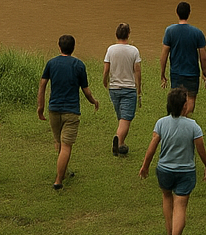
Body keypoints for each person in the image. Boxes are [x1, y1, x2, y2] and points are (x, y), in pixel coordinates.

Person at [138, 87, 206, 235]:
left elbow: (152, 147)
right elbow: (201, 149)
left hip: (164, 169)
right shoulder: (193, 126)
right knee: (181, 206)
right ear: (184, 106)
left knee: (167, 198)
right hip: (186, 172)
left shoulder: (161, 123)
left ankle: (170, 233)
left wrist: (145, 166)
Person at [37, 33, 99, 190]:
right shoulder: (78, 65)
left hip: (54, 110)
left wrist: (40, 107)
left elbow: (42, 85)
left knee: (58, 142)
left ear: (59, 47)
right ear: (73, 48)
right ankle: (59, 179)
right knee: (66, 146)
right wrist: (94, 101)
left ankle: (63, 170)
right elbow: (86, 90)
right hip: (71, 111)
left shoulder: (51, 63)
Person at [161, 2, 206, 114]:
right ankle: (186, 118)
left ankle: (178, 119)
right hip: (192, 72)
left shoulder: (170, 31)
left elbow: (164, 54)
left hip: (176, 73)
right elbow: (204, 57)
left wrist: (162, 73)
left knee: (176, 98)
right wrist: (205, 73)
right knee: (191, 98)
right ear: (189, 13)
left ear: (177, 13)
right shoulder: (197, 33)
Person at [103, 22, 143, 156]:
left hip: (114, 89)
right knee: (126, 118)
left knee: (121, 118)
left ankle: (121, 144)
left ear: (116, 34)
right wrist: (139, 88)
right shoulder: (134, 50)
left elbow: (106, 69)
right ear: (128, 34)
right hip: (128, 89)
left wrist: (105, 81)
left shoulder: (111, 49)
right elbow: (137, 71)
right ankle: (118, 141)